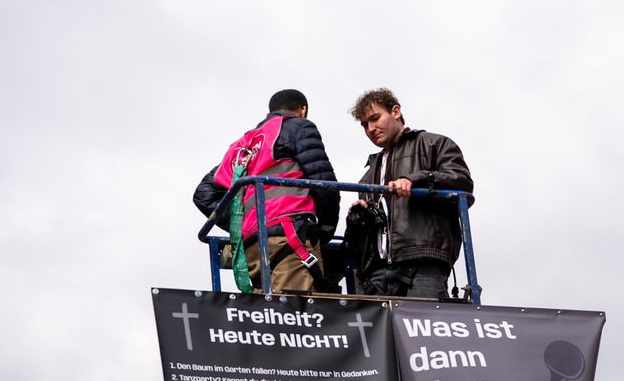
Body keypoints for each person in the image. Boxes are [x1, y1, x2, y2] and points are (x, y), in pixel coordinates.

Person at [194, 89, 339, 293]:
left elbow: (204, 194)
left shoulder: (243, 145)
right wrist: (325, 229)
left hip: (252, 244)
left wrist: (241, 227)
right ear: (302, 110)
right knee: (294, 315)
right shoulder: (299, 126)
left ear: (267, 115)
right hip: (291, 235)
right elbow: (324, 182)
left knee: (269, 317)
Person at [345, 87, 473, 298]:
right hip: (375, 272)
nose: (370, 128)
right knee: (377, 333)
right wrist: (356, 220)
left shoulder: (435, 143)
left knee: (426, 330)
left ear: (395, 112)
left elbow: (462, 183)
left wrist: (417, 179)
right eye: (365, 125)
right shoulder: (369, 173)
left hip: (424, 265)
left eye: (375, 118)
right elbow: (357, 239)